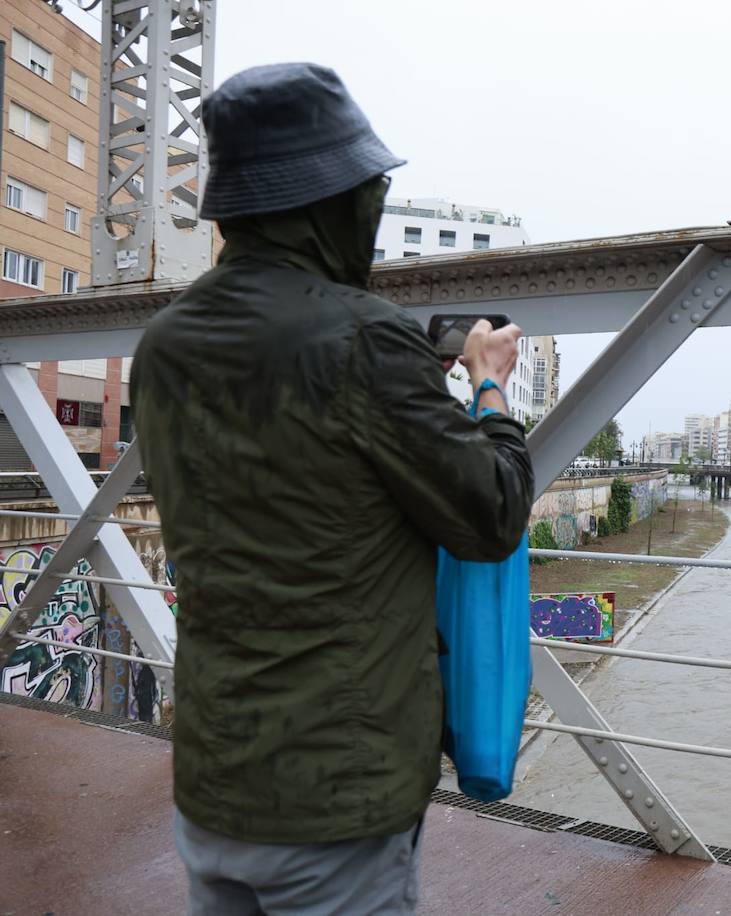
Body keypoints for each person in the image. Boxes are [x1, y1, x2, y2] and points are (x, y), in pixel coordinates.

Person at [130, 63, 534, 914]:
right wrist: (488, 387)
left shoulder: (163, 345)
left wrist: (402, 387)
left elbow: (293, 462)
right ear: (332, 202)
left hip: (214, 775)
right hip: (338, 798)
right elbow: (492, 514)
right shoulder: (365, 341)